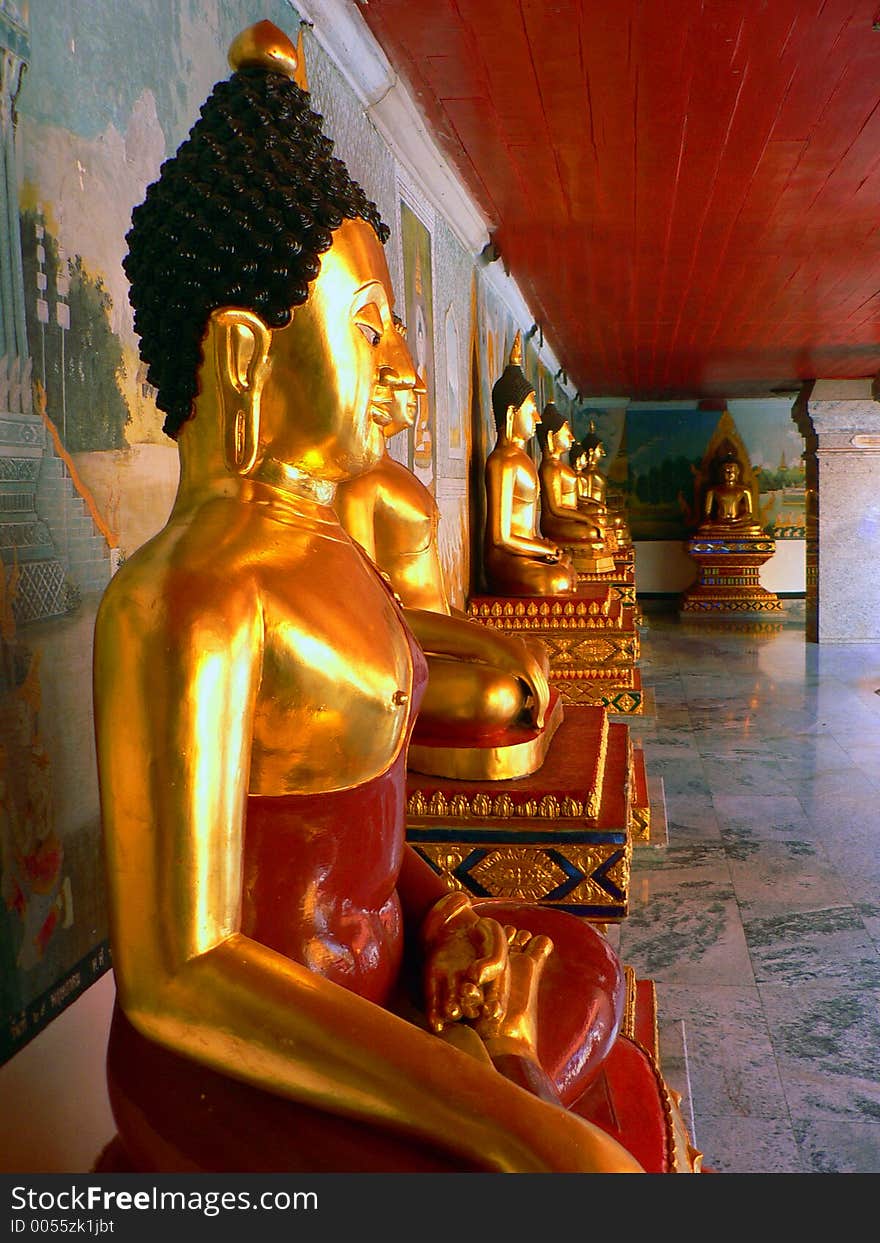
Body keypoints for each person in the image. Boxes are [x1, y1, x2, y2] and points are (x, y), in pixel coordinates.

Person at [94, 21, 641, 1174]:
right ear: (245, 356)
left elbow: (366, 833)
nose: (401, 366)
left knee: (581, 969)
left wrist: (450, 917)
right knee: (576, 1145)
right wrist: (488, 1108)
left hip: (395, 980)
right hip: (236, 1046)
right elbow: (180, 970)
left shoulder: (337, 550)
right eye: (370, 328)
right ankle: (496, 1080)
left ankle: (494, 1060)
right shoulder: (182, 597)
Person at [335, 333, 554, 766]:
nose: (418, 386)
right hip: (399, 652)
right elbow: (375, 615)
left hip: (436, 629)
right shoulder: (359, 483)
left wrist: (487, 638)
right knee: (497, 696)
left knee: (536, 652)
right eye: (400, 381)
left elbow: (433, 597)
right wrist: (490, 645)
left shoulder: (397, 475)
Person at [483, 341, 577, 596]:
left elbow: (531, 529)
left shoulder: (522, 459)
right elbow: (500, 538)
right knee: (555, 581)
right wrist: (545, 551)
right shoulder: (501, 461)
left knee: (565, 569)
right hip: (504, 558)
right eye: (532, 409)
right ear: (512, 413)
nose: (537, 418)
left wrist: (545, 547)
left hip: (524, 551)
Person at [536, 402, 608, 547]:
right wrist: (587, 519)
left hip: (569, 518)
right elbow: (555, 508)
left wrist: (587, 517)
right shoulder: (550, 468)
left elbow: (577, 499)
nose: (572, 438)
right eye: (566, 432)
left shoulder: (559, 466)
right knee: (591, 532)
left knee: (597, 523)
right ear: (551, 437)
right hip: (556, 522)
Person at [700, 456, 760, 532]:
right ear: (721, 473)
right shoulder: (713, 490)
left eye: (733, 471)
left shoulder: (744, 490)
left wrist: (735, 520)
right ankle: (727, 528)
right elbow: (707, 513)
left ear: (738, 472)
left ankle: (728, 528)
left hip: (738, 522)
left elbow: (749, 513)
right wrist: (710, 520)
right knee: (704, 527)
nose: (730, 474)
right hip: (720, 523)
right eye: (727, 471)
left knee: (756, 526)